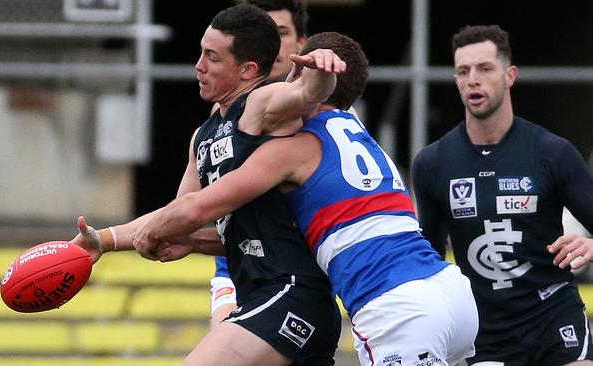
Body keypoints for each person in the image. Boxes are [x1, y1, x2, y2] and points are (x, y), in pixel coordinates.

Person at [132, 32, 479, 366]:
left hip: (397, 303)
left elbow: (200, 205)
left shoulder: (295, 149)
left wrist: (150, 233)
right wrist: (193, 242)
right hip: (450, 290)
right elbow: (276, 235)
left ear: (302, 78)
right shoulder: (360, 135)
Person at [72, 4, 347, 366]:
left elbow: (306, 93)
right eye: (201, 52)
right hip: (260, 297)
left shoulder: (260, 103)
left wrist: (322, 68)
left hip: (291, 292)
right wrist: (103, 240)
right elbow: (177, 212)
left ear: (248, 70)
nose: (198, 66)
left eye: (212, 58)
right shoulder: (202, 137)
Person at [412, 24, 593, 365]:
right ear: (455, 81)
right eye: (463, 71)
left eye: (484, 68)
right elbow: (429, 259)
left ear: (510, 75)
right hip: (487, 332)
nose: (473, 79)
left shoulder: (552, 153)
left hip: (553, 315)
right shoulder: (433, 164)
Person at [209, 0, 310, 328]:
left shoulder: (317, 114)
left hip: (293, 277)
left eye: (280, 33)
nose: (271, 44)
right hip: (233, 267)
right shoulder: (219, 115)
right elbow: (191, 208)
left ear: (302, 43)